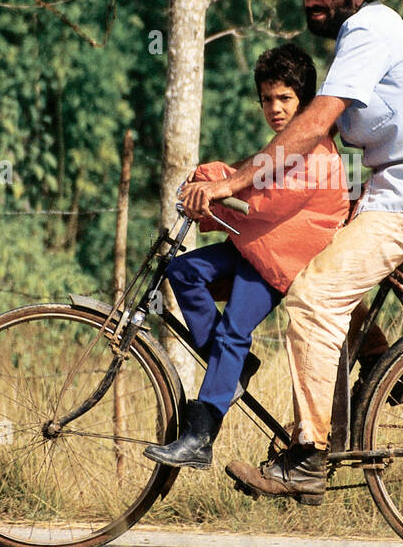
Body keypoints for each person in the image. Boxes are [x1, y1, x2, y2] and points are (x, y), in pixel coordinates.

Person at [179, 0, 403, 504]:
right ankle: (366, 381)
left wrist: (234, 183)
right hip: (402, 191)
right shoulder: (359, 40)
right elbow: (298, 144)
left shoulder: (370, 28)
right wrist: (227, 173)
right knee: (328, 279)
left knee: (312, 297)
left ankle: (308, 458)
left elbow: (315, 124)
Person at [144, 43, 349, 470]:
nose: (274, 108)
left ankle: (201, 436)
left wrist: (212, 185)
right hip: (257, 247)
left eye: (285, 99)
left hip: (280, 262)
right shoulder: (283, 147)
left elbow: (261, 203)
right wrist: (212, 181)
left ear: (306, 102)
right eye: (267, 99)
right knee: (182, 271)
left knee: (234, 328)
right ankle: (237, 366)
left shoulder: (316, 152)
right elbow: (247, 176)